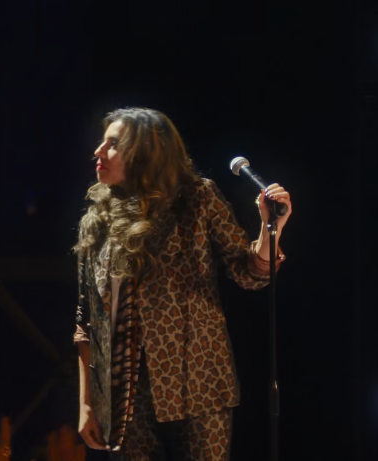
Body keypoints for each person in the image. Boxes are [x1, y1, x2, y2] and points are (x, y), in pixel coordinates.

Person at [73, 108, 292, 460]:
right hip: (126, 398)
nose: (98, 151)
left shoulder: (197, 198)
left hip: (199, 388)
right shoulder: (97, 220)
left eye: (112, 144)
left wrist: (271, 229)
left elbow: (248, 274)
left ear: (145, 151)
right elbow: (87, 322)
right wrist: (87, 403)